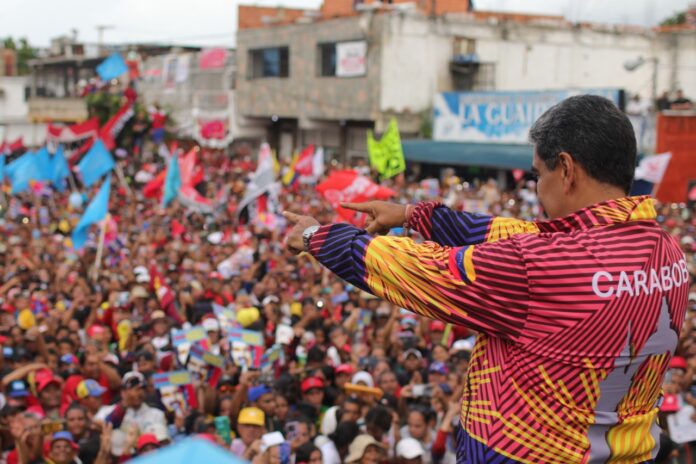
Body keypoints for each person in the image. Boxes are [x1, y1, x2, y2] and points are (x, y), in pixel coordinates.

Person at [284, 95, 689, 462]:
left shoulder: (541, 267)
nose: (538, 191)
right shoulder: (664, 250)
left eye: (536, 175)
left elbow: (418, 271)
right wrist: (415, 215)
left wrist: (315, 236)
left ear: (565, 169)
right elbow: (519, 234)